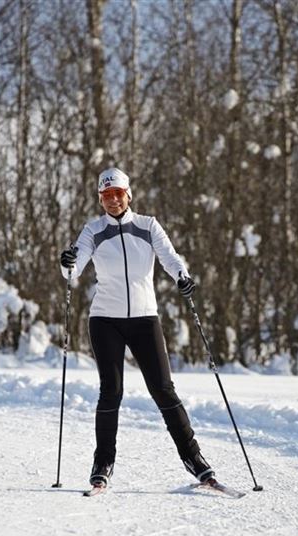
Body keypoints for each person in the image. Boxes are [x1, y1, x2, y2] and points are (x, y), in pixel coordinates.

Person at [60, 166, 215, 489]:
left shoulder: (148, 226)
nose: (113, 201)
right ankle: (103, 463)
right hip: (105, 320)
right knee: (111, 391)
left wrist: (182, 277)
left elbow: (170, 258)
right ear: (100, 199)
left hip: (145, 318)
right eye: (106, 196)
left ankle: (194, 458)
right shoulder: (93, 230)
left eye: (118, 194)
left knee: (163, 389)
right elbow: (74, 271)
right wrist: (67, 263)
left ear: (128, 194)